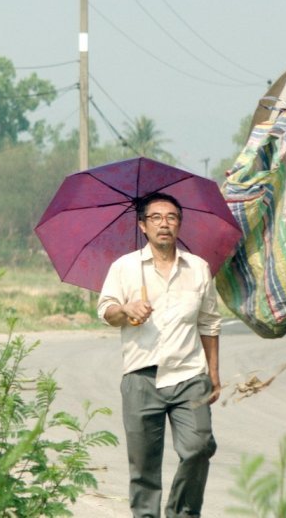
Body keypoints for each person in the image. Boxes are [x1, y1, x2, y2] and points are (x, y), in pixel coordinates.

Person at [97, 192, 221, 518]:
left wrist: (214, 374)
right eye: (156, 218)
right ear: (142, 225)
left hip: (189, 376)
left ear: (179, 225)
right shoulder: (124, 268)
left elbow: (209, 323)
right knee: (144, 469)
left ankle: (181, 512)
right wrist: (126, 309)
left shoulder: (198, 268)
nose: (164, 224)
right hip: (141, 377)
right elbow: (106, 311)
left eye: (171, 217)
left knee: (199, 447)